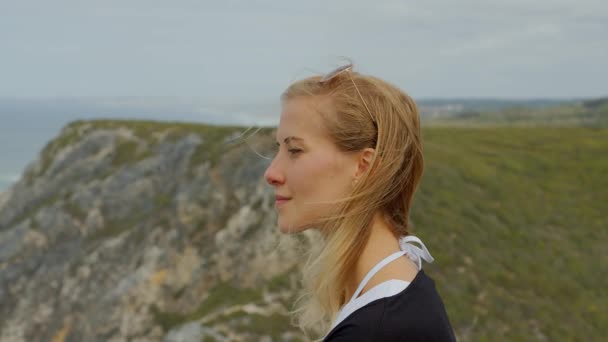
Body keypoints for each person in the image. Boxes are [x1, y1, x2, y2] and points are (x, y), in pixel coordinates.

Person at [263, 63, 456, 341]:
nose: (271, 173)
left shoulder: (380, 328)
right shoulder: (400, 291)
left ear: (363, 166)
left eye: (294, 150)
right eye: (278, 148)